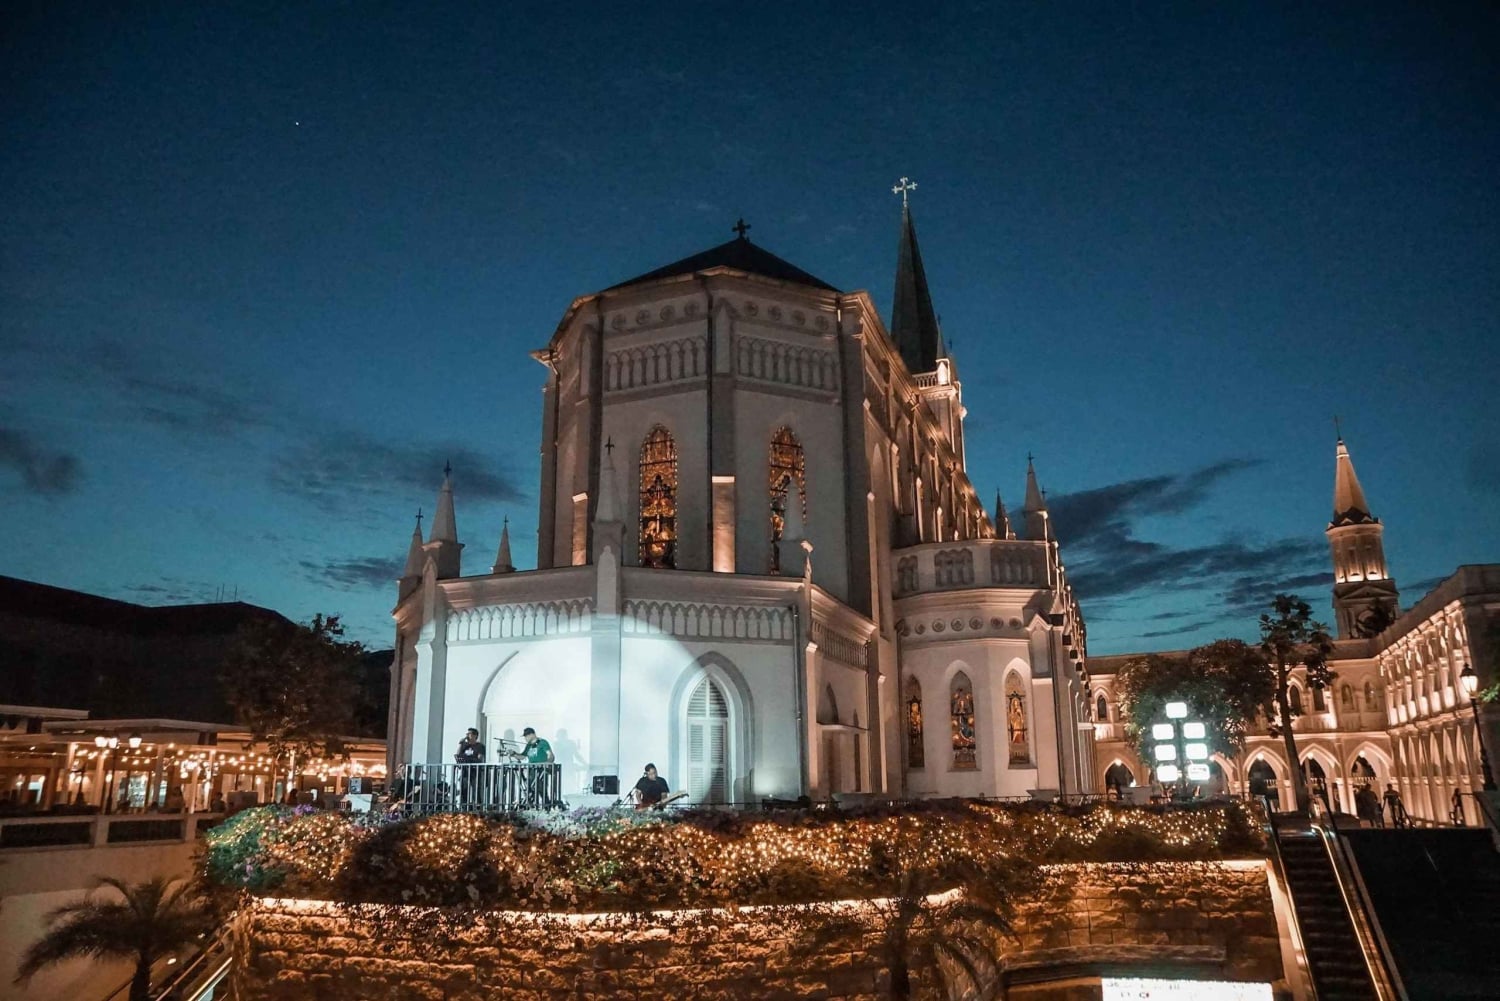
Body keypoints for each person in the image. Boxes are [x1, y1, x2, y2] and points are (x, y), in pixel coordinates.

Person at [454, 727, 486, 807]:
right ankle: (464, 806)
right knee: (464, 788)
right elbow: (458, 755)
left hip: (475, 770)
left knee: (476, 788)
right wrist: (460, 744)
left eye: (469, 734)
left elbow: (480, 758)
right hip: (465, 770)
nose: (467, 735)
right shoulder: (465, 745)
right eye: (467, 734)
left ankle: (478, 806)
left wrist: (470, 760)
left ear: (475, 736)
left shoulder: (479, 746)